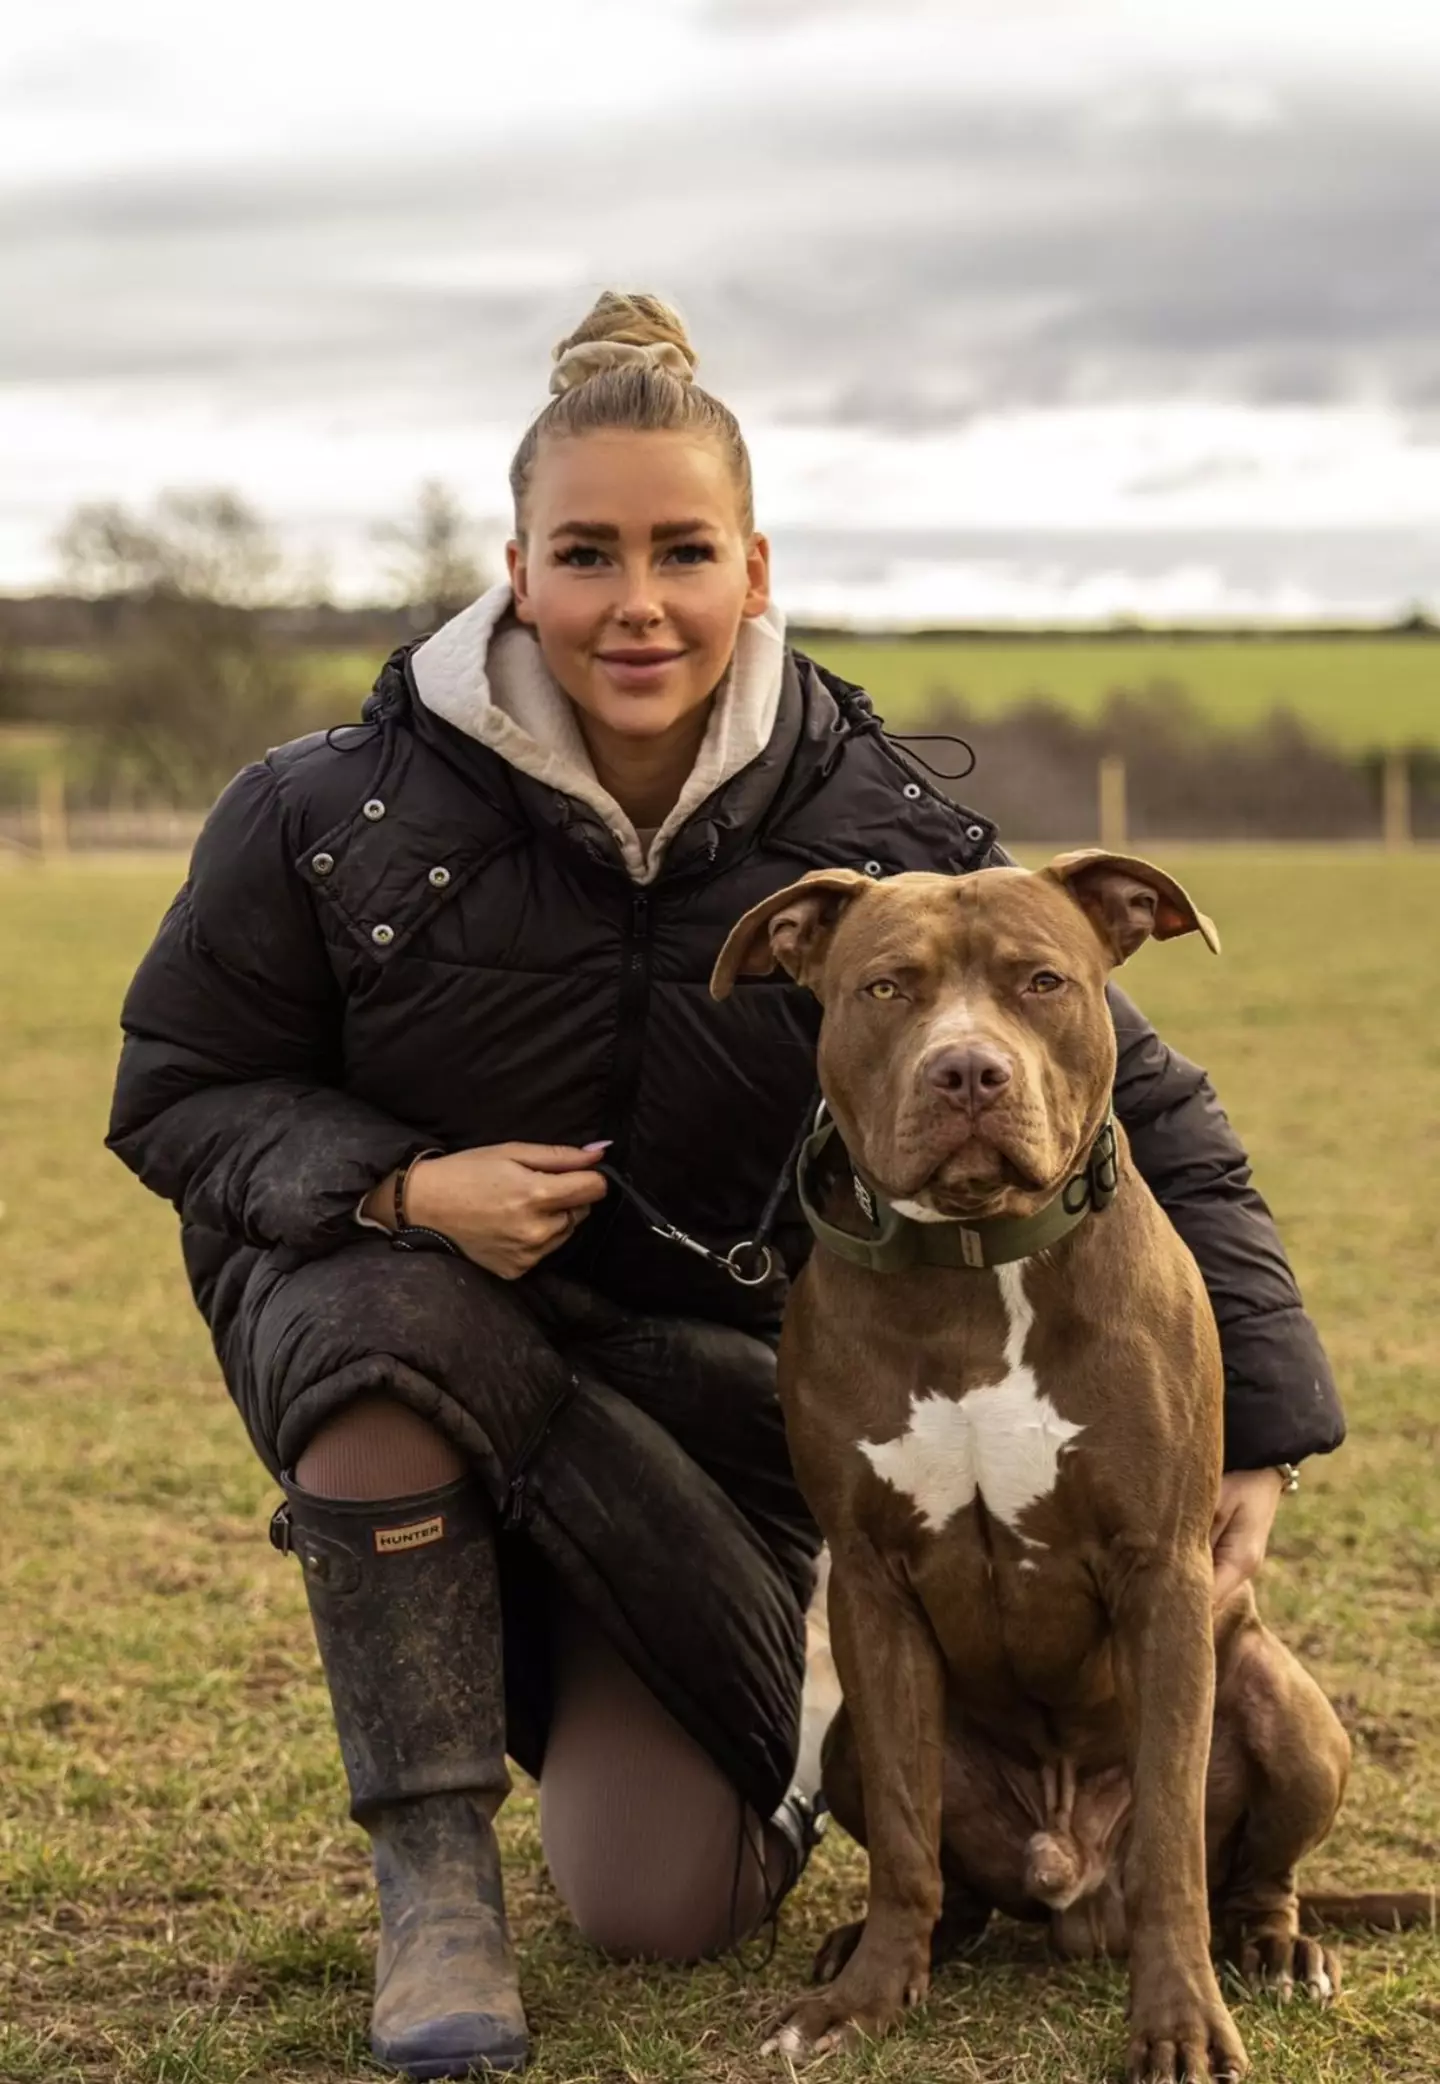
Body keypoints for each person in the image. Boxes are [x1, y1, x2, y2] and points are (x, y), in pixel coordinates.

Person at [108, 291, 1344, 2080]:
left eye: (683, 552)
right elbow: (177, 1092)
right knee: (375, 1330)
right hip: (419, 1348)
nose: (638, 601)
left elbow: (1159, 1121)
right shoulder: (326, 810)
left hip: (702, 1417)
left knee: (658, 1902)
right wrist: (400, 1190)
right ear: (516, 570)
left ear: (753, 569)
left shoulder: (889, 839)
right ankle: (434, 1877)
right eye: (587, 552)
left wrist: (1263, 1421)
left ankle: (742, 1762)